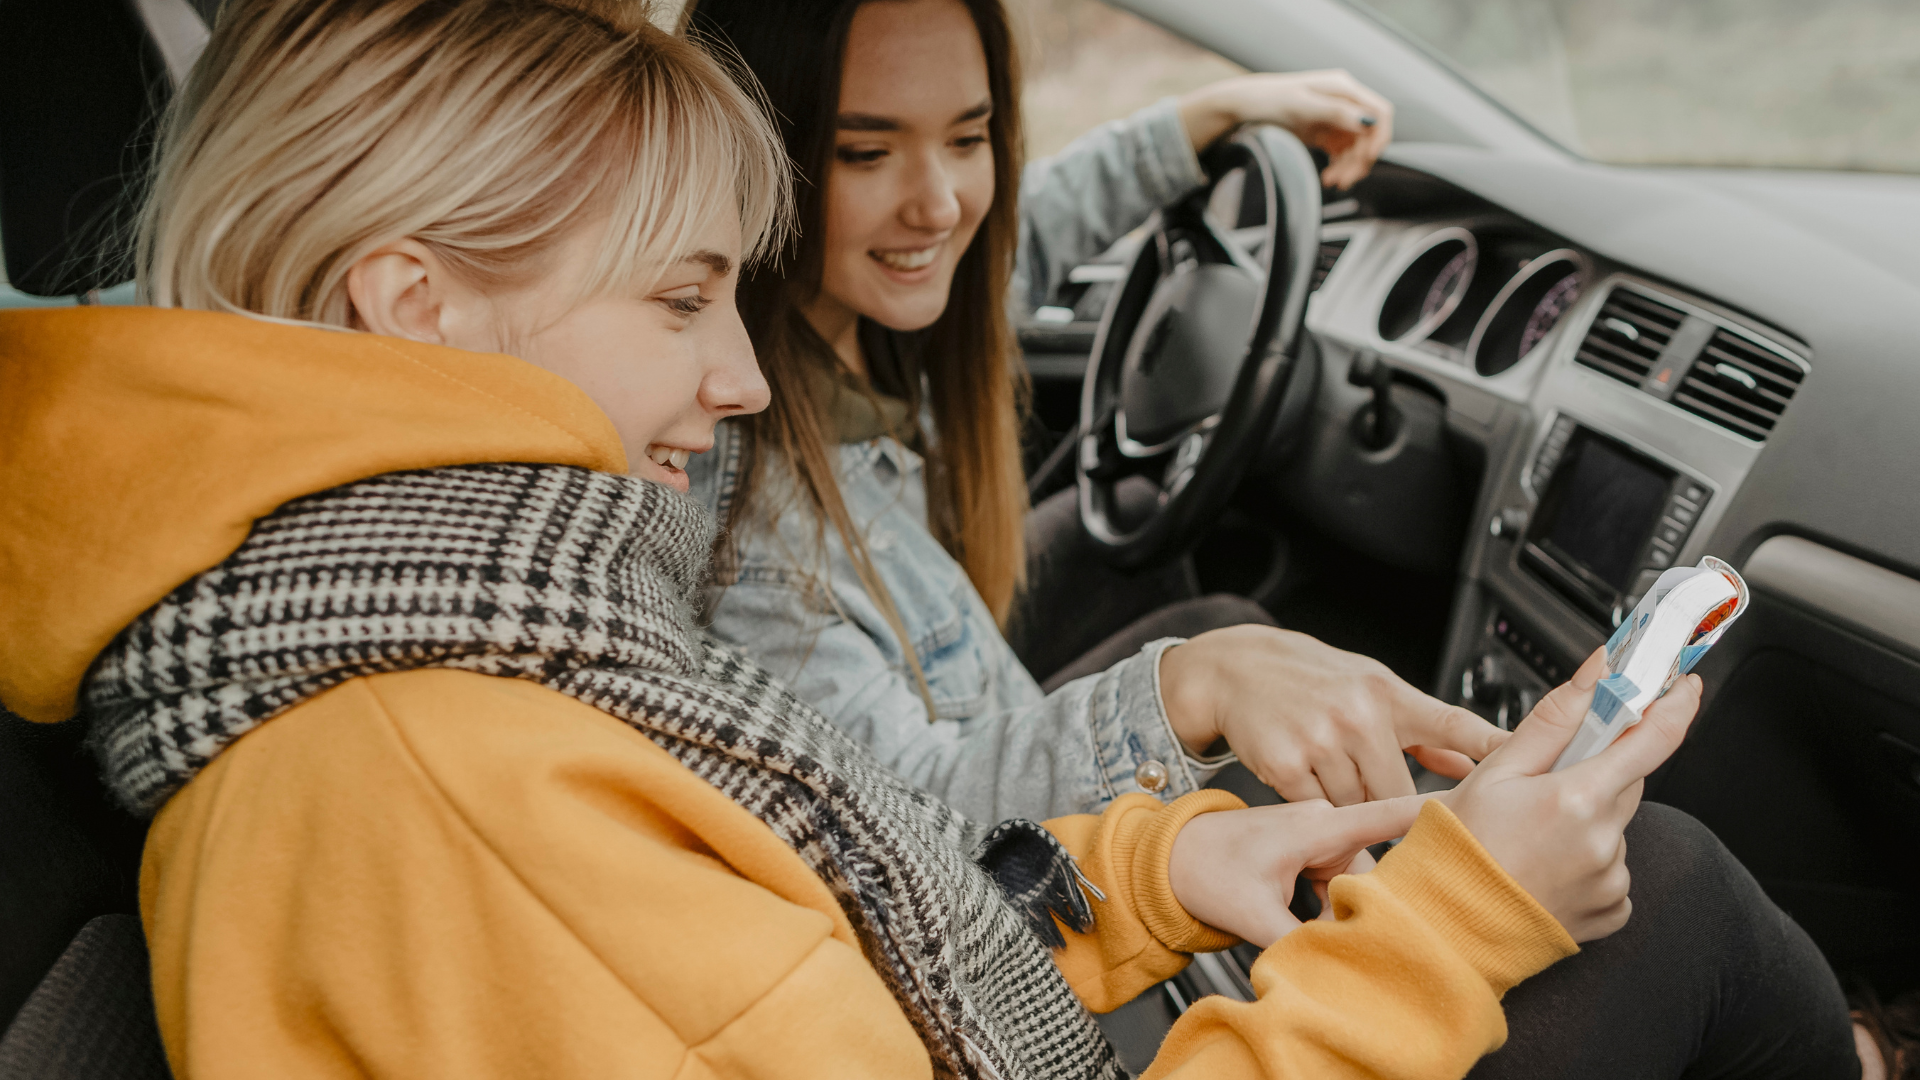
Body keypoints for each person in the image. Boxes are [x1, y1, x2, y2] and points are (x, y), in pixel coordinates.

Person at [0, 0, 1866, 1077]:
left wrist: (1132, 892)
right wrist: (1461, 919)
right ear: (412, 304)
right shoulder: (443, 768)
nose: (741, 375)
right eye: (677, 304)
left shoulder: (418, 643)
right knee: (1679, 899)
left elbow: (770, 1003)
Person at [686, 0, 1485, 827]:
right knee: (1223, 646)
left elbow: (1023, 235)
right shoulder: (749, 528)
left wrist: (1212, 114)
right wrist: (1188, 690)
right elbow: (912, 817)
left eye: (968, 138)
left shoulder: (859, 316)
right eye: (866, 152)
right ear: (756, 154)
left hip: (969, 675)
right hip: (979, 865)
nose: (941, 207)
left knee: (1201, 596)